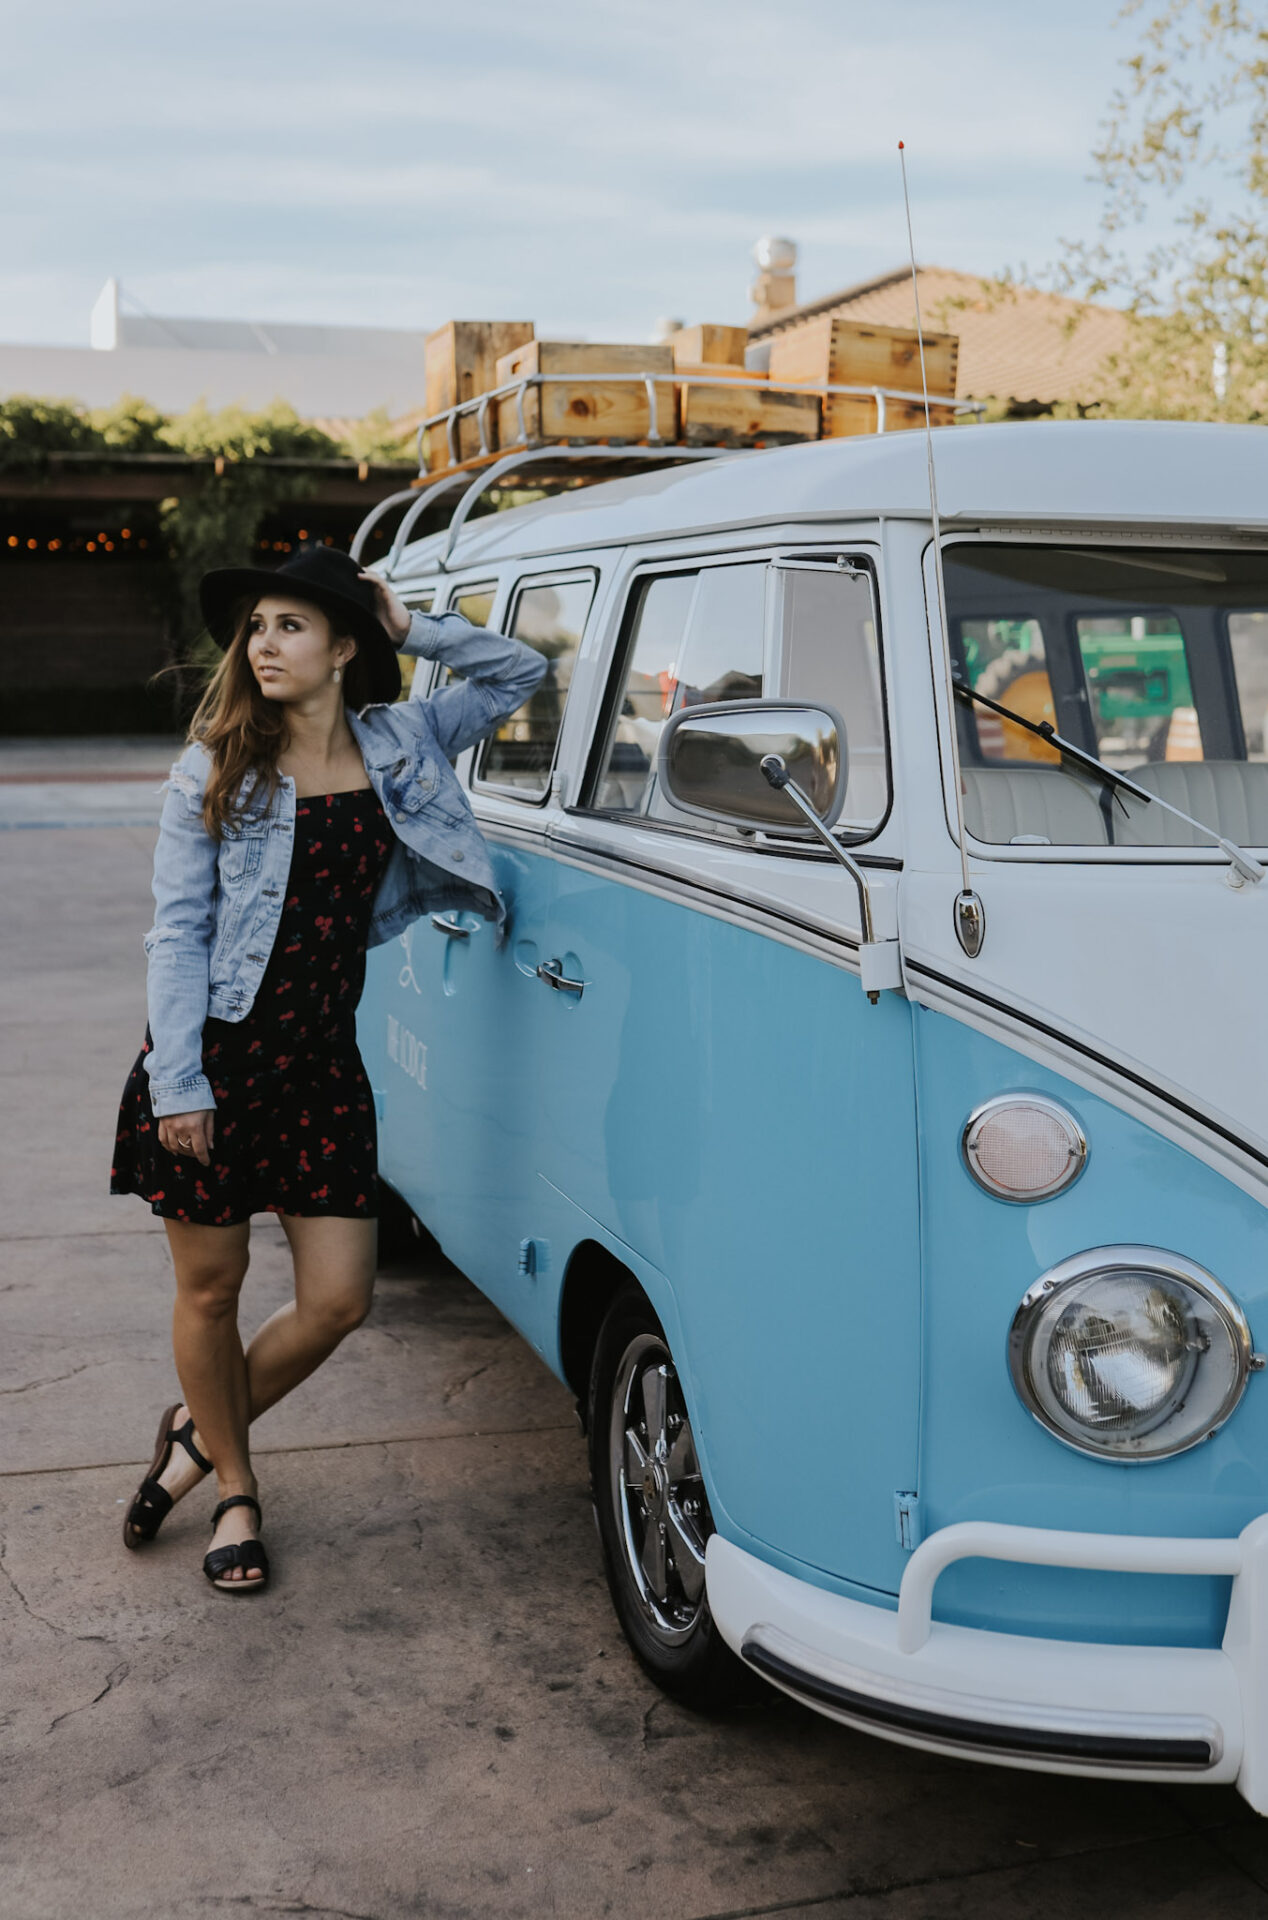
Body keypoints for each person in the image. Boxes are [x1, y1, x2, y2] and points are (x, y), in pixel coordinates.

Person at [109, 545, 548, 1592]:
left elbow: (519, 674)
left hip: (318, 1061)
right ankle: (236, 1494)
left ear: (344, 646)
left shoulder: (403, 738)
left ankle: (194, 1436)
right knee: (211, 1294)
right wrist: (181, 1088)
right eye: (255, 626)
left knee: (338, 1300)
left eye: (291, 625)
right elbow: (175, 936)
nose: (264, 643)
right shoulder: (213, 765)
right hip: (212, 1057)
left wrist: (414, 628)